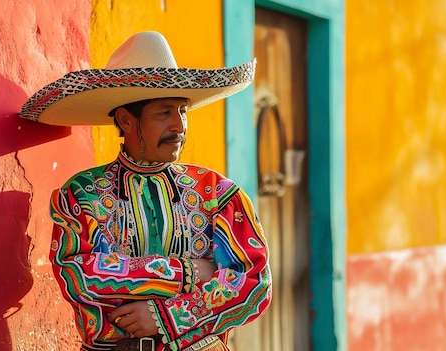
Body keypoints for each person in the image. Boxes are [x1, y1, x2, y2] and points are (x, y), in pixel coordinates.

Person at [19, 31, 272, 351]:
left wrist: (167, 316)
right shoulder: (83, 195)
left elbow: (251, 283)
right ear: (126, 119)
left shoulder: (215, 194)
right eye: (164, 113)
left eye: (182, 111)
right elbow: (81, 277)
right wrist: (191, 273)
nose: (180, 126)